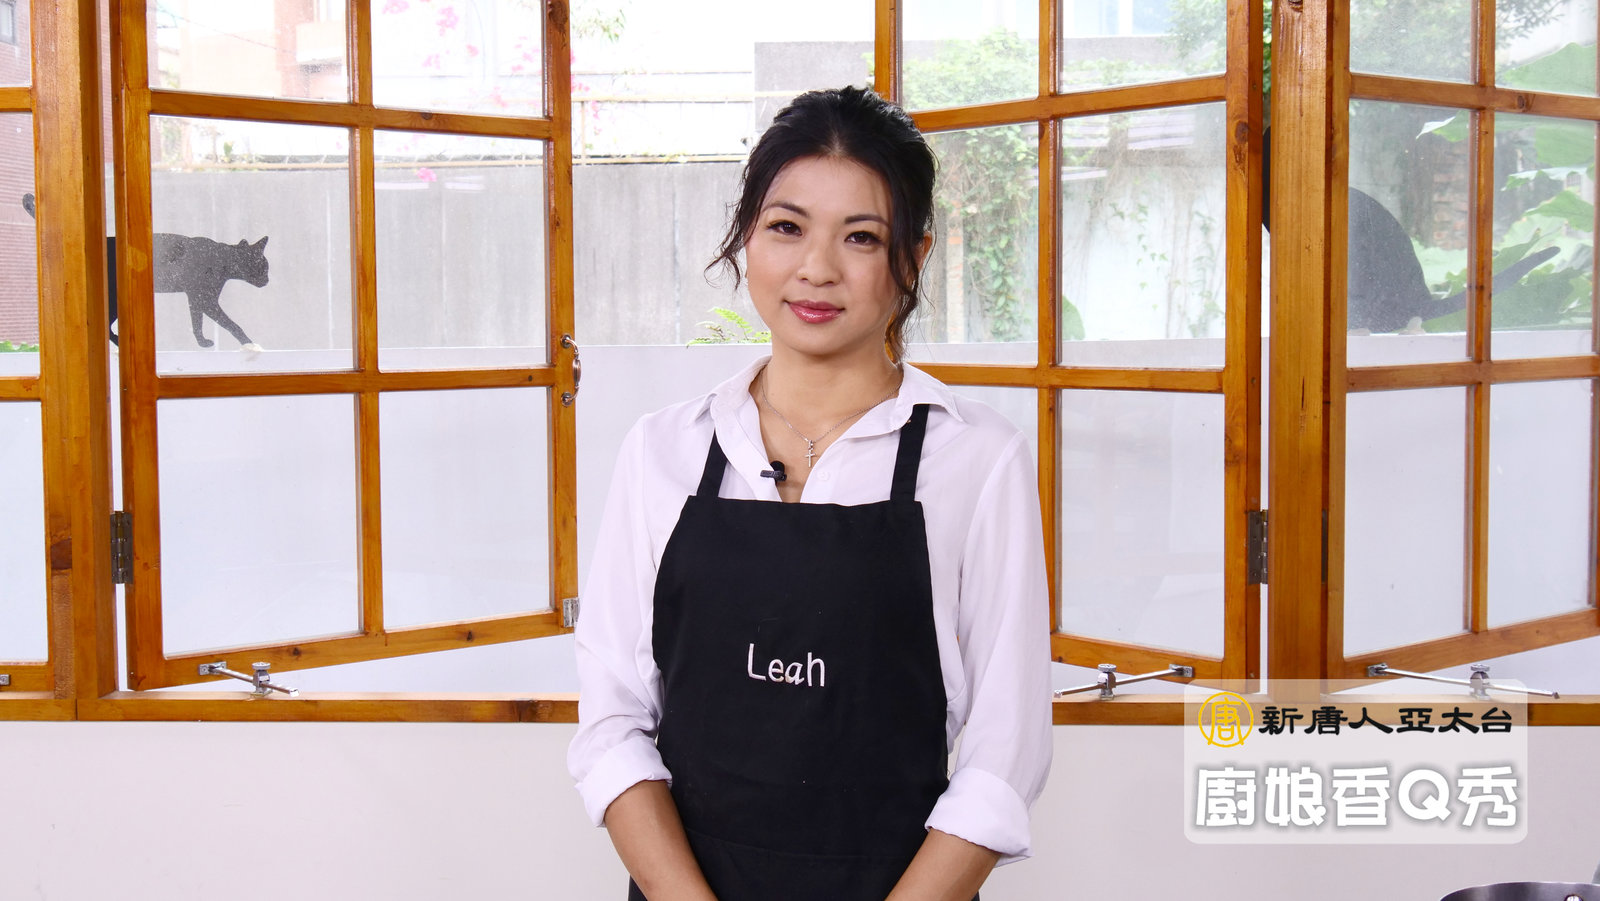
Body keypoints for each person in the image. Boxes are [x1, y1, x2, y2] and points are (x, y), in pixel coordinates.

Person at [568, 85, 1051, 901]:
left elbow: (1005, 757)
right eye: (786, 227)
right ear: (746, 236)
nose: (817, 269)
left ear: (914, 256)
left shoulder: (977, 458)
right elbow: (612, 724)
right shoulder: (662, 451)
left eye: (861, 236)